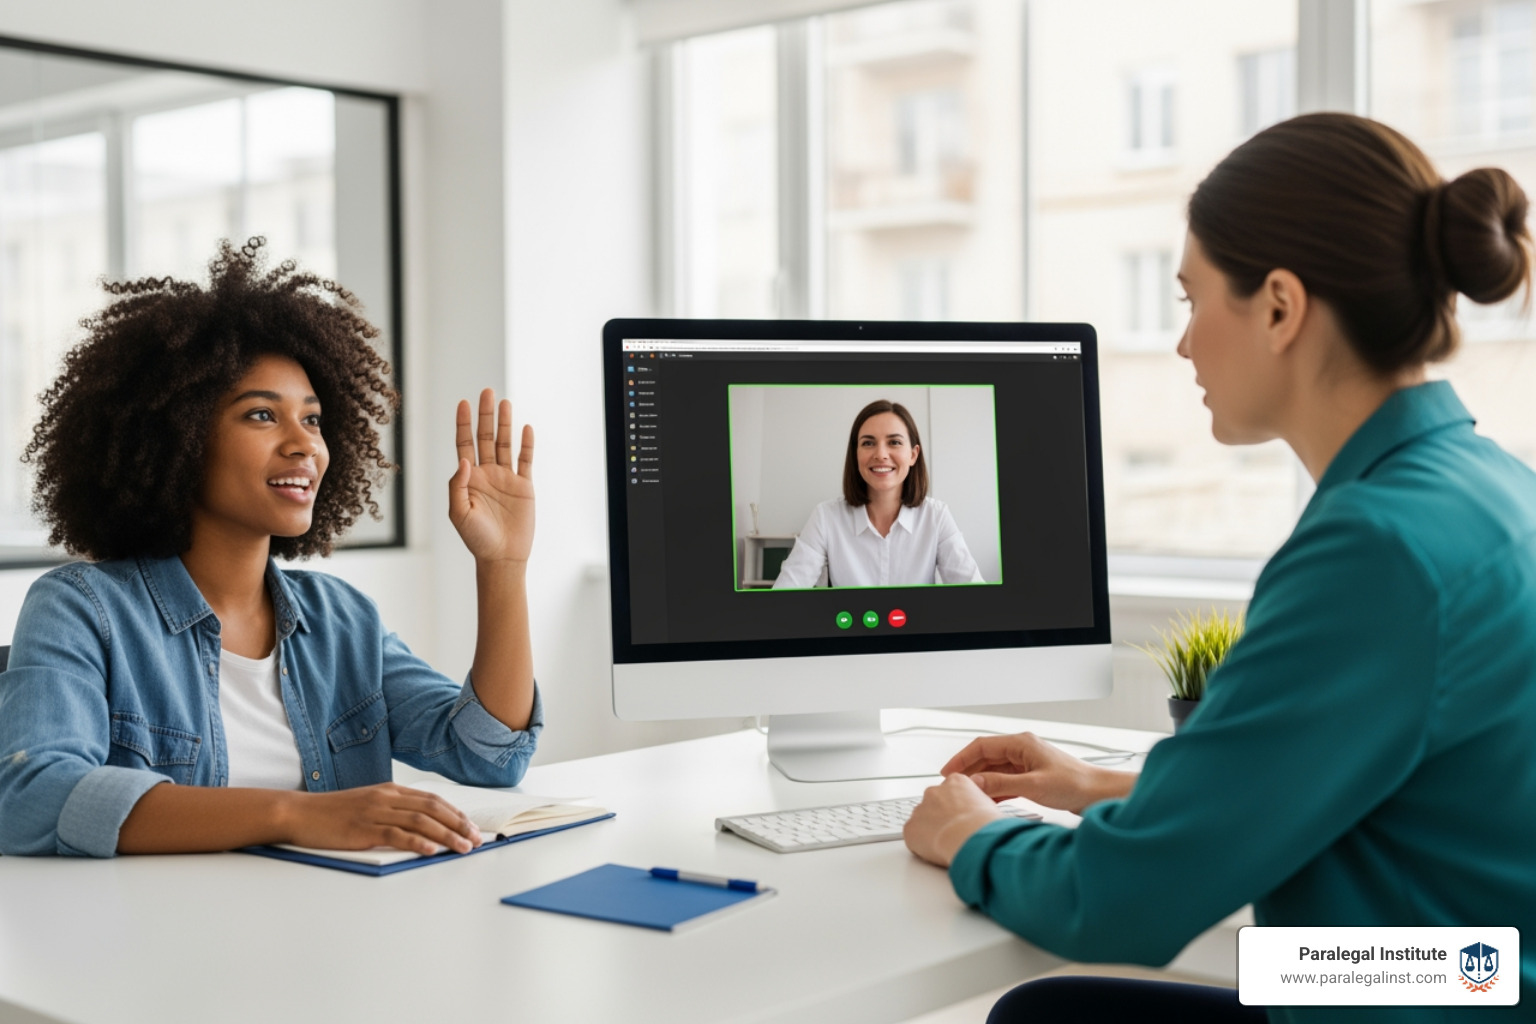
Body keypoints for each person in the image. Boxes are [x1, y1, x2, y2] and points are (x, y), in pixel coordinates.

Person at [903, 113, 1536, 1022]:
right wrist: (1100, 786)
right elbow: (1352, 776)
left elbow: (1116, 903)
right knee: (1243, 968)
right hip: (1479, 970)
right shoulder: (1494, 485)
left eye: (1191, 300)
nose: (1184, 343)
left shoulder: (1375, 548)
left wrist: (972, 838)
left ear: (1279, 306)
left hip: (1443, 993)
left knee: (1040, 1013)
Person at [0, 238, 541, 859]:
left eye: (312, 419)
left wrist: (502, 567)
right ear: (178, 437)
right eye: (262, 415)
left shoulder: (343, 620)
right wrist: (295, 814)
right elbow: (31, 795)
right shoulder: (82, 609)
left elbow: (486, 753)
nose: (304, 444)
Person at [771, 399, 984, 588]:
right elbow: (787, 592)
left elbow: (975, 594)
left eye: (894, 442)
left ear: (913, 454)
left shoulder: (936, 516)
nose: (881, 454)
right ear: (856, 455)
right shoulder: (826, 517)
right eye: (868, 443)